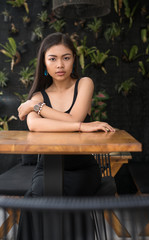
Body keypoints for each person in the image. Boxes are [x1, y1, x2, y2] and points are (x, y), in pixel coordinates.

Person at [17, 32, 115, 240]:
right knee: (37, 195)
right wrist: (80, 126)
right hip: (46, 168)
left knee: (44, 197)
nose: (60, 64)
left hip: (81, 168)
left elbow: (74, 117)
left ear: (73, 60)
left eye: (66, 57)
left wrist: (36, 107)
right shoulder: (39, 94)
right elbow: (34, 125)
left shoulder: (84, 84)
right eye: (52, 58)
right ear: (44, 62)